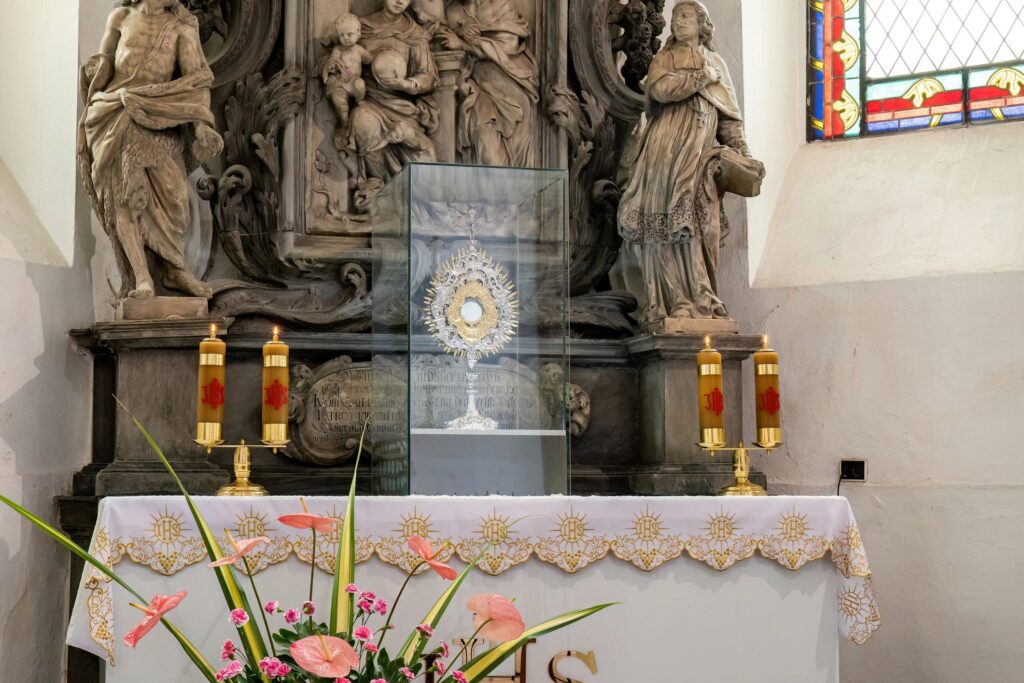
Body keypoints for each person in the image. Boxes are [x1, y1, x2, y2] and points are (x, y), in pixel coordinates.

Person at [616, 0, 762, 326]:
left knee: (701, 223)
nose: (680, 21)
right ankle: (670, 302)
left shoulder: (717, 64)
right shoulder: (664, 58)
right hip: (663, 153)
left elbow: (729, 121)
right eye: (677, 16)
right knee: (663, 220)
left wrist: (744, 153)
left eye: (687, 16)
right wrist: (701, 77)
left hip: (698, 158)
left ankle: (702, 296)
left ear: (702, 24)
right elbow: (663, 90)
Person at [77, 0, 223, 300]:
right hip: (117, 112)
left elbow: (196, 80)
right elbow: (104, 62)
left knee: (176, 197)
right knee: (126, 199)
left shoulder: (182, 26)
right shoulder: (120, 16)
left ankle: (175, 268)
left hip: (160, 116)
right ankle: (142, 278)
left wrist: (200, 126)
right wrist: (95, 70)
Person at [349, 0, 439, 184]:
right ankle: (381, 188)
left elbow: (428, 76)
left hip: (403, 107)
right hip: (370, 103)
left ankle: (407, 194)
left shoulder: (415, 34)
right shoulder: (361, 28)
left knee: (427, 166)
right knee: (362, 120)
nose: (400, 1)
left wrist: (407, 85)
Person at [440, 0, 539, 167]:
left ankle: (508, 186)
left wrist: (464, 43)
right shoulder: (453, 11)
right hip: (477, 83)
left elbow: (508, 45)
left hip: (509, 82)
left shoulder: (501, 5)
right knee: (484, 136)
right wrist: (459, 32)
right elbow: (441, 38)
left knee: (513, 147)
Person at [321, 13, 373, 131]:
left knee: (360, 85)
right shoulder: (337, 49)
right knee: (339, 102)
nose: (346, 38)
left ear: (358, 33)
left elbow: (369, 59)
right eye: (342, 35)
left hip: (353, 82)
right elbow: (332, 61)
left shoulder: (359, 50)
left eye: (350, 34)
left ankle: (359, 100)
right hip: (340, 84)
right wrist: (332, 66)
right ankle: (344, 122)